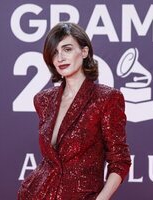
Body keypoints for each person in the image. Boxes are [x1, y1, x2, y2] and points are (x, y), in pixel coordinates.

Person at [18, 22, 131, 200]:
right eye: (54, 52)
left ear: (84, 52)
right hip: (37, 194)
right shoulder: (43, 100)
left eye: (67, 49)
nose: (60, 57)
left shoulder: (107, 99)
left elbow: (120, 161)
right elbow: (52, 160)